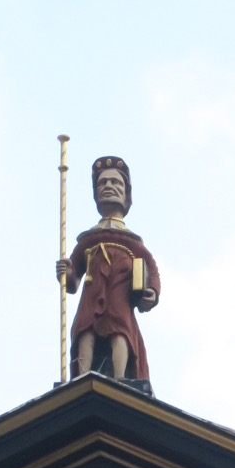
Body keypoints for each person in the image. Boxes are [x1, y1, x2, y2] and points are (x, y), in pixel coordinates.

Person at [56, 156, 160, 392]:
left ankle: (121, 377)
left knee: (120, 328)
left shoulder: (132, 241)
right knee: (85, 329)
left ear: (126, 194)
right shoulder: (89, 239)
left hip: (118, 292)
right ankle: (82, 376)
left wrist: (151, 291)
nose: (109, 187)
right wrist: (67, 271)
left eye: (116, 183)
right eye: (102, 184)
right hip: (93, 292)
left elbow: (151, 268)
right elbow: (72, 282)